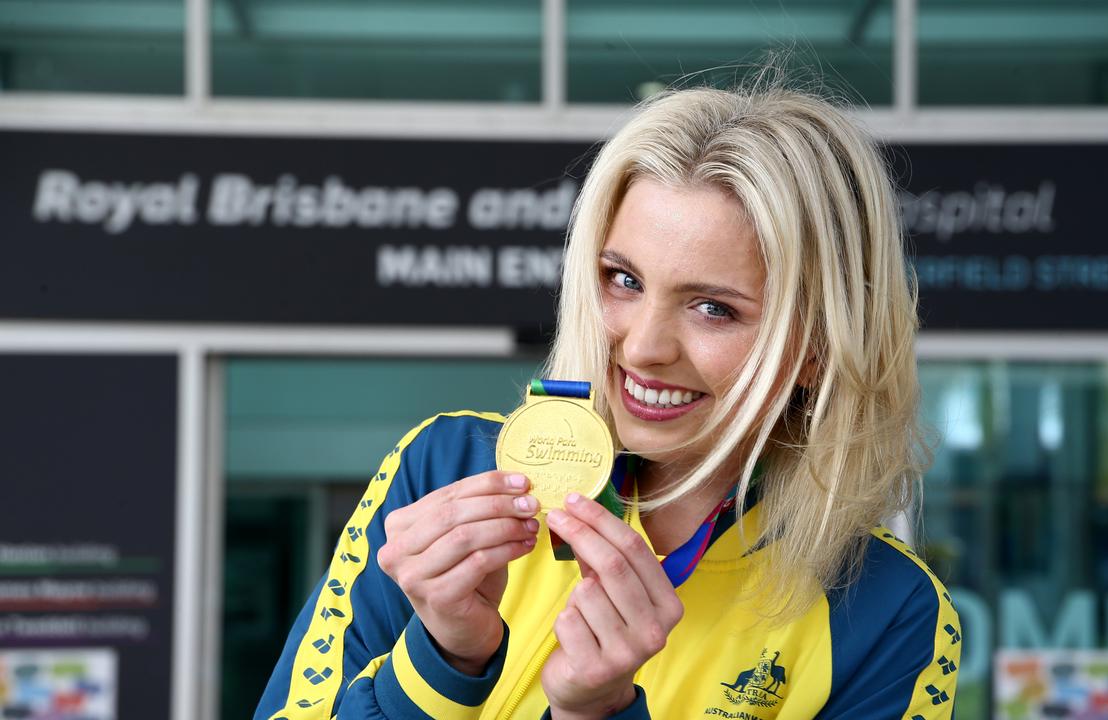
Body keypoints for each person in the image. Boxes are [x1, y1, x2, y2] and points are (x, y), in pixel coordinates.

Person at [255, 83, 961, 720]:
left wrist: (599, 714)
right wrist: (443, 659)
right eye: (623, 279)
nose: (643, 345)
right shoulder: (445, 469)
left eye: (714, 307)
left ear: (816, 348)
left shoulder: (890, 615)